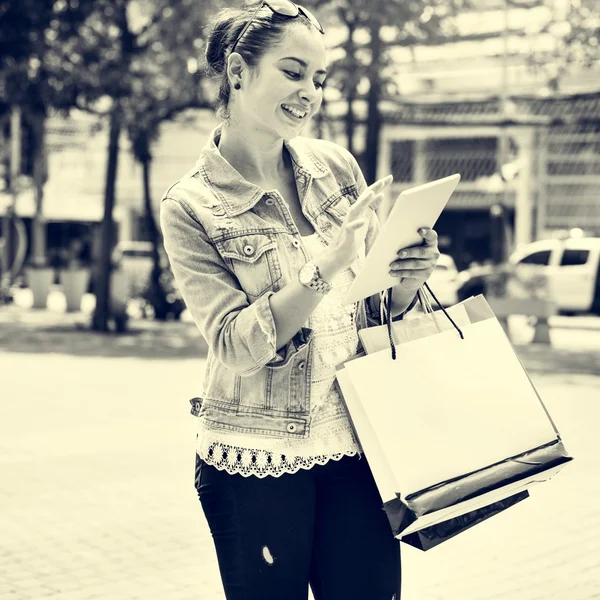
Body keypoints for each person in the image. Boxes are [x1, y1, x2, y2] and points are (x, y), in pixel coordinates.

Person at [159, 2, 441, 598]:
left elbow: (370, 311)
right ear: (237, 72)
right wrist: (327, 265)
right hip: (256, 454)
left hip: (359, 441)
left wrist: (408, 281)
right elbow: (235, 345)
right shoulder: (190, 205)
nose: (309, 93)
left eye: (318, 79)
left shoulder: (336, 166)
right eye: (292, 72)